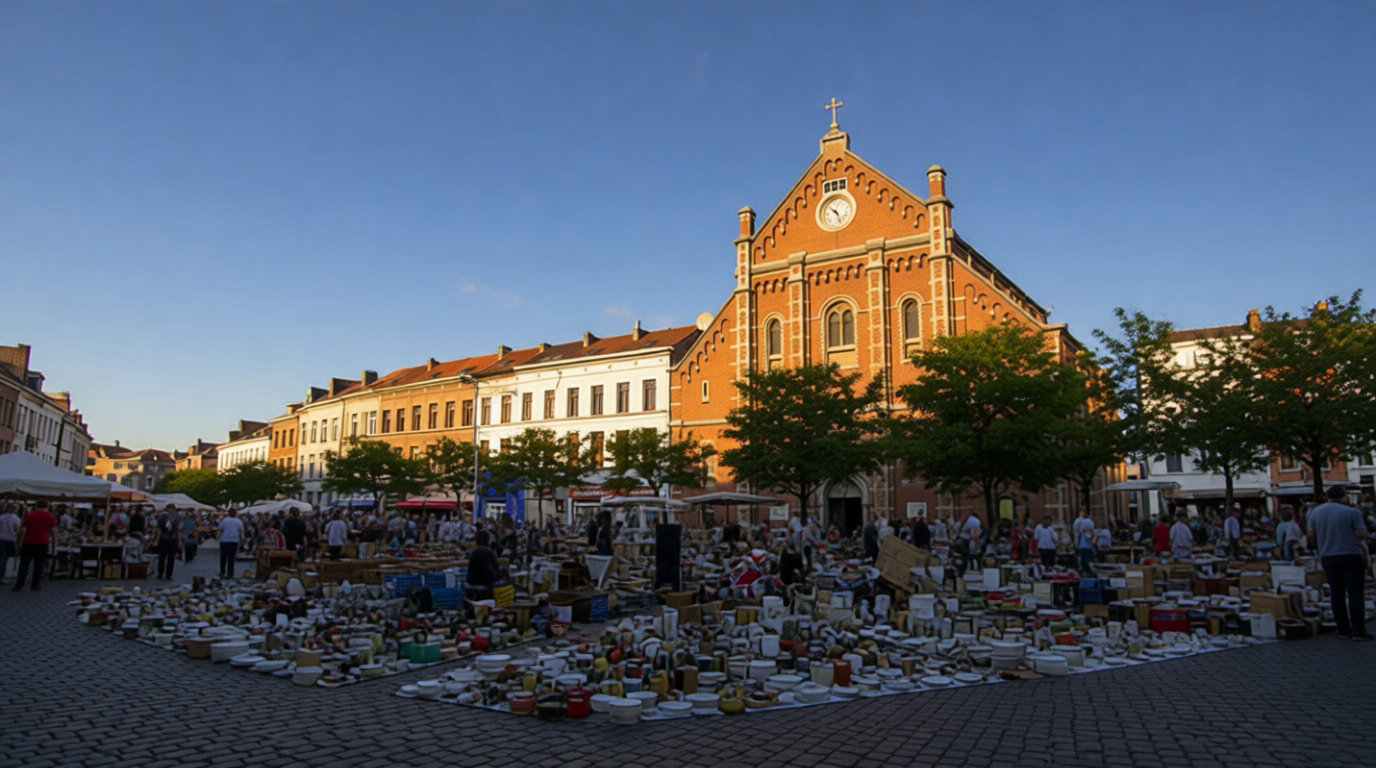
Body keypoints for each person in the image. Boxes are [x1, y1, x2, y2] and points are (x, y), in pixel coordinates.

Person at [1307, 486, 1371, 640]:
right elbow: (1361, 533)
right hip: (1350, 554)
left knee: (1337, 593)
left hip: (1328, 556)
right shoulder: (1351, 512)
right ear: (1343, 497)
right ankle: (1358, 630)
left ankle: (1343, 629)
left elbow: (1310, 534)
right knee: (1355, 593)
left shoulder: (1316, 512)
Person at [12, 502, 59, 591]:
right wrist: (54, 548)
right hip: (43, 542)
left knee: (24, 564)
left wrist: (17, 541)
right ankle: (35, 585)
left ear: (36, 506)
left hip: (28, 542)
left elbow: (21, 530)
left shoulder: (29, 515)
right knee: (39, 565)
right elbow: (54, 533)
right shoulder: (51, 516)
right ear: (47, 507)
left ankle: (19, 584)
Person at [154, 506, 181, 580]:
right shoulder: (177, 518)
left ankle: (161, 574)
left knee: (163, 558)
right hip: (172, 539)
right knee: (170, 558)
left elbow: (157, 529)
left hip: (164, 539)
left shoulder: (161, 518)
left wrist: (156, 539)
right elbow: (179, 529)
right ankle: (167, 575)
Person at [217, 509, 245, 579]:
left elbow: (220, 530)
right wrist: (241, 541)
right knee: (231, 558)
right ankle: (230, 573)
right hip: (234, 540)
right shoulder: (238, 521)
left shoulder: (224, 520)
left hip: (224, 540)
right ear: (235, 514)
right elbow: (241, 532)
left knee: (223, 557)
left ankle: (222, 572)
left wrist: (218, 538)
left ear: (228, 513)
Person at [0, 502, 20, 586]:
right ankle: (1, 577)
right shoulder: (16, 518)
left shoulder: (1, 517)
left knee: (2, 558)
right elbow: (19, 530)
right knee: (4, 559)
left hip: (1, 539)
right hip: (10, 540)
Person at [1072, 509, 1096, 576]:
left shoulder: (1077, 521)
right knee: (1086, 560)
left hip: (1080, 545)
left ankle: (1084, 572)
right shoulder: (1089, 521)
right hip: (1086, 545)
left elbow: (1075, 533)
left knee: (1082, 560)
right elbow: (1092, 532)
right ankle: (1088, 572)